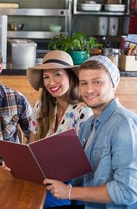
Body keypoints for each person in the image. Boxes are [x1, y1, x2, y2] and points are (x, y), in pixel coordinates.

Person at [44, 55, 137, 208]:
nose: (89, 90)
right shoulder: (88, 125)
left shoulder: (124, 124)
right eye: (84, 83)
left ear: (113, 84)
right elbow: (77, 171)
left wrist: (69, 192)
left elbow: (126, 191)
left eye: (97, 82)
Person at [26, 50, 93, 208]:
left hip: (70, 185)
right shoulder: (40, 107)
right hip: (42, 178)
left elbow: (84, 163)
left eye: (57, 74)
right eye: (46, 77)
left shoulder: (83, 112)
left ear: (70, 76)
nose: (51, 82)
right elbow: (31, 149)